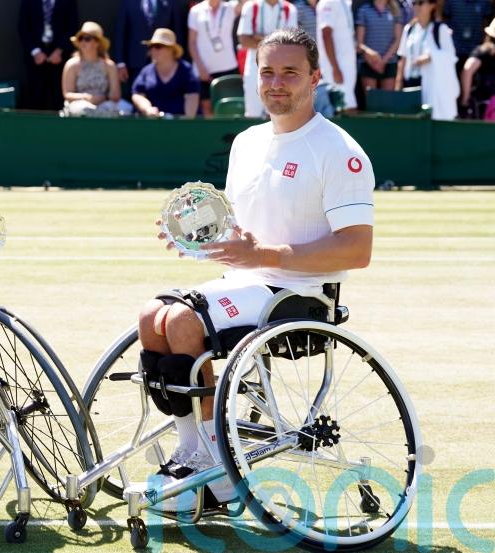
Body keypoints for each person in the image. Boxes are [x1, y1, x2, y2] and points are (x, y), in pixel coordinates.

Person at [135, 27, 374, 511]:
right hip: (245, 283)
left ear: (315, 78)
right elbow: (241, 235)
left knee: (182, 320)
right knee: (150, 316)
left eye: (290, 72)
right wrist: (197, 234)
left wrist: (264, 257)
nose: (277, 82)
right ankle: (195, 453)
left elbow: (356, 250)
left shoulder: (338, 150)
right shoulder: (246, 141)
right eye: (268, 71)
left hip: (299, 296)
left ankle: (213, 469)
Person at [396, 0, 458, 120]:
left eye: (421, 3)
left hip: (431, 88)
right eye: (414, 3)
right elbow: (402, 58)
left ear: (432, 5)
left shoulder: (440, 29)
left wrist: (431, 57)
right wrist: (398, 85)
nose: (417, 7)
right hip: (410, 85)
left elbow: (451, 57)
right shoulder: (409, 29)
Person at [237, 0, 299, 118]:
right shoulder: (251, 6)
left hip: (282, 70)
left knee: (278, 114)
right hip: (255, 68)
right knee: (253, 114)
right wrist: (278, 42)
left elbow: (291, 43)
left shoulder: (289, 8)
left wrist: (258, 38)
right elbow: (244, 40)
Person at [18, 0, 79, 111]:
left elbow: (73, 28)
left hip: (60, 61)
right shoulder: (27, 2)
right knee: (35, 101)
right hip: (34, 61)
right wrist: (35, 51)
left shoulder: (69, 2)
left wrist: (60, 50)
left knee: (58, 102)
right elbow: (23, 28)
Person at [62, 21, 132, 116]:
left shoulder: (109, 65)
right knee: (84, 110)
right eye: (80, 38)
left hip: (104, 104)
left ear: (97, 43)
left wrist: (102, 98)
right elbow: (68, 94)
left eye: (87, 39)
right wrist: (86, 98)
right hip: (80, 104)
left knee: (126, 109)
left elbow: (115, 95)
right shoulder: (71, 64)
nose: (82, 42)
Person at [114, 0, 184, 92]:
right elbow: (121, 32)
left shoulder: (170, 2)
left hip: (164, 62)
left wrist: (176, 59)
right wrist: (120, 62)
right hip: (136, 63)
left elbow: (177, 32)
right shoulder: (128, 2)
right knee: (137, 93)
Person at [187, 0, 241, 116]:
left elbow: (246, 3)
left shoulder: (231, 7)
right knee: (206, 107)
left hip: (227, 67)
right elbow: (192, 42)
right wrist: (200, 67)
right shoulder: (196, 10)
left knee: (227, 107)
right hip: (203, 69)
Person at [131, 28, 199, 117]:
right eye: (151, 47)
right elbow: (137, 94)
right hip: (153, 125)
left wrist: (186, 124)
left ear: (171, 50)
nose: (153, 50)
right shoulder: (146, 71)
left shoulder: (186, 70)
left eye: (158, 46)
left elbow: (192, 97)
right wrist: (147, 109)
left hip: (178, 125)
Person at [355, 0, 404, 96]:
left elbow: (398, 40)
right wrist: (373, 59)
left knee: (388, 102)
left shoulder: (396, 10)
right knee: (371, 102)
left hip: (390, 63)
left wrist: (383, 61)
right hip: (368, 63)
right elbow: (359, 44)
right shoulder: (363, 10)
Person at [317, 0, 358, 111]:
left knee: (348, 107)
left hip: (346, 67)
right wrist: (335, 67)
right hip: (336, 68)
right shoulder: (328, 2)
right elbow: (326, 34)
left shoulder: (345, 3)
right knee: (343, 109)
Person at [442, 0, 493, 77]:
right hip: (456, 52)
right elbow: (445, 20)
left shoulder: (484, 2)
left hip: (476, 53)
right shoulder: (451, 2)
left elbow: (487, 22)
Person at [460, 18, 495, 118]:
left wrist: (465, 99)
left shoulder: (483, 51)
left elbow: (467, 70)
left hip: (484, 105)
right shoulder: (484, 52)